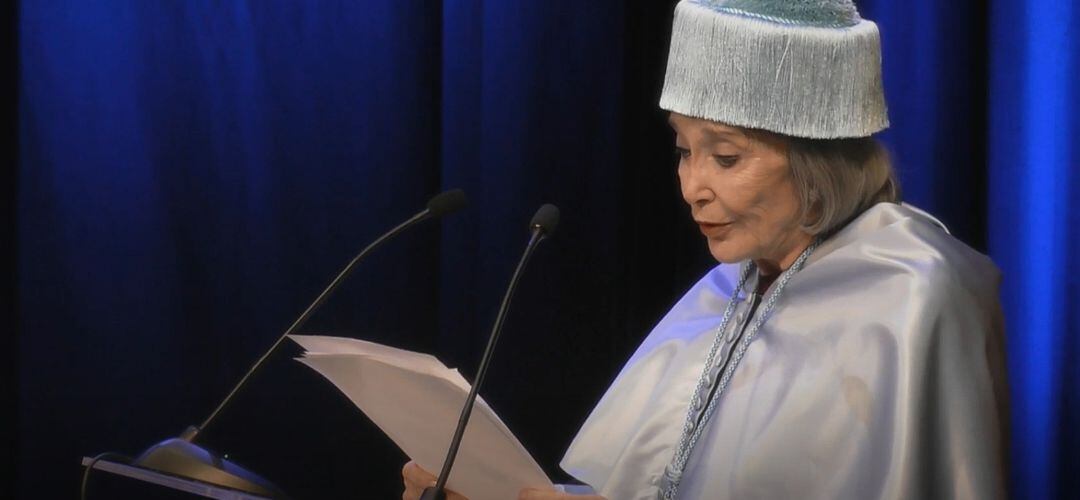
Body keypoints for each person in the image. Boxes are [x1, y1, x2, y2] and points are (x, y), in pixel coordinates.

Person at [404, 0, 1009, 498]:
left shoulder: (917, 290)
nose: (693, 188)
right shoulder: (736, 284)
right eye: (683, 150)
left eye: (726, 157)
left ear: (818, 161)